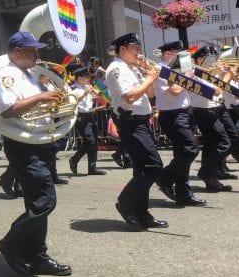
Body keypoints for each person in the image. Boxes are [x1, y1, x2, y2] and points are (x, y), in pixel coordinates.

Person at [0, 31, 72, 277]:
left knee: (37, 202)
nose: (36, 54)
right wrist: (41, 96)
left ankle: (37, 256)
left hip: (39, 141)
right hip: (23, 144)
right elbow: (7, 109)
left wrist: (54, 101)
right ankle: (11, 243)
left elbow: (38, 106)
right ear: (17, 52)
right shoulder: (6, 76)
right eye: (31, 50)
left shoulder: (30, 75)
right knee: (46, 201)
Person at [105, 32, 167, 231]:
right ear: (123, 48)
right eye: (135, 48)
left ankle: (141, 212)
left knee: (142, 168)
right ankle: (125, 202)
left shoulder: (132, 68)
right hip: (130, 121)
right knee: (153, 166)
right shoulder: (116, 69)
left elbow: (150, 94)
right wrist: (149, 78)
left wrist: (150, 76)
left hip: (141, 120)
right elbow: (130, 97)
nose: (139, 52)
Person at [153, 41, 207, 206]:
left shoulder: (174, 69)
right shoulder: (161, 70)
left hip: (183, 112)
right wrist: (188, 76)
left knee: (182, 153)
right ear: (168, 53)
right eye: (178, 53)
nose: (182, 57)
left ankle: (183, 193)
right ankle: (165, 177)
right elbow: (175, 90)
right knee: (191, 149)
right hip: (173, 114)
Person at [190, 46, 233, 192]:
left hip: (214, 108)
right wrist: (227, 75)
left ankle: (210, 178)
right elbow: (215, 90)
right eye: (211, 59)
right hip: (204, 111)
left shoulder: (208, 72)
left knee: (211, 144)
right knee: (223, 143)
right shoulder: (195, 73)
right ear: (200, 59)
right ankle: (206, 171)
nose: (214, 62)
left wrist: (222, 74)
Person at [68, 67, 106, 175]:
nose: (88, 79)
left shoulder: (87, 87)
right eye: (86, 77)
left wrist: (97, 92)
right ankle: (74, 159)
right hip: (81, 117)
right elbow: (73, 101)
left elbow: (99, 96)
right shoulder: (74, 89)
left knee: (94, 143)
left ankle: (92, 167)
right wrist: (85, 93)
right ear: (79, 78)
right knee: (89, 141)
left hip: (90, 116)